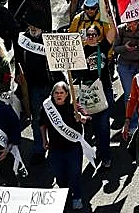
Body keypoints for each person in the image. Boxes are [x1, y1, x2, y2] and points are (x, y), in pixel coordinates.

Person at [38, 81, 93, 210]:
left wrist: (82, 118)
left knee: (74, 174)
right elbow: (42, 124)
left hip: (73, 148)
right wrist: (44, 140)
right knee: (59, 175)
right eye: (56, 93)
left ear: (67, 94)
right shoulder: (47, 107)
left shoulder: (74, 106)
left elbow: (88, 117)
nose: (59, 95)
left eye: (62, 92)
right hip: (55, 148)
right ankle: (64, 196)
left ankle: (77, 197)